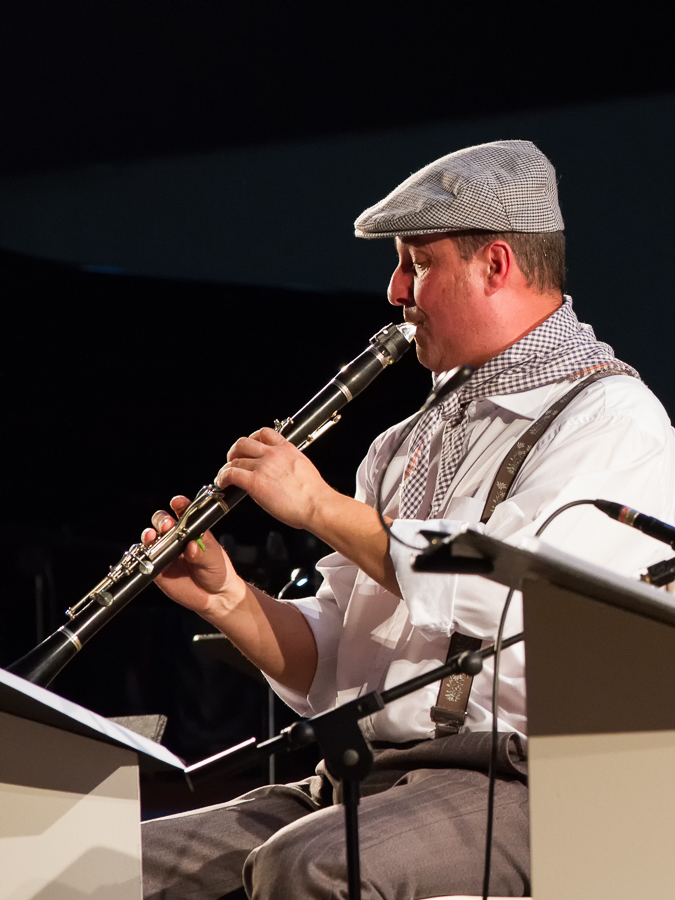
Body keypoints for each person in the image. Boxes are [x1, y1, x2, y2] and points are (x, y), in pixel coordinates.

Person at [142, 140, 675, 899]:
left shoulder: (610, 419)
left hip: (520, 782)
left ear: (495, 265)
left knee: (308, 866)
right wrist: (227, 597)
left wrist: (320, 507)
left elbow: (507, 590)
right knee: (106, 866)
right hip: (363, 778)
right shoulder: (404, 442)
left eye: (416, 264)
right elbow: (332, 661)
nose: (395, 290)